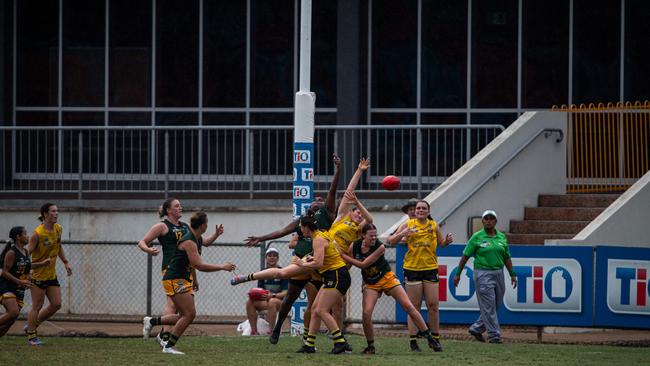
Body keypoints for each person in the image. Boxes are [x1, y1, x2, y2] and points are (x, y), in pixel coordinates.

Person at [242, 154, 341, 345]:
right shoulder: (303, 221)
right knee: (288, 299)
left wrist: (338, 170)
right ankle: (277, 329)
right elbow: (281, 231)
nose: (318, 199)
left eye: (320, 199)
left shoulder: (326, 214)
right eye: (315, 199)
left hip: (316, 266)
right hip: (300, 264)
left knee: (317, 306)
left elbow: (333, 190)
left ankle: (321, 337)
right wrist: (260, 238)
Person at [339, 223, 440, 354]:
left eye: (376, 235)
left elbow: (363, 264)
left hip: (387, 278)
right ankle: (371, 346)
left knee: (409, 306)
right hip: (370, 283)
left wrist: (343, 255)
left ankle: (430, 338)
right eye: (371, 236)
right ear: (363, 235)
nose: (374, 238)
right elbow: (349, 264)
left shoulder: (380, 247)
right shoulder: (355, 246)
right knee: (366, 313)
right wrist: (339, 267)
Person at [138, 198, 224, 345]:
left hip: (185, 270)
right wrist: (148, 249)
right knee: (173, 304)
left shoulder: (185, 227)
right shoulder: (162, 226)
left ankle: (158, 329)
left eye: (180, 205)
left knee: (183, 310)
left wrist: (216, 235)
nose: (180, 208)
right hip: (171, 269)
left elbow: (203, 243)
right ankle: (164, 336)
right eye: (176, 206)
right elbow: (142, 242)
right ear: (168, 210)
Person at [161, 211, 236, 355]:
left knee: (186, 314)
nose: (207, 225)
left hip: (181, 278)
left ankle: (154, 324)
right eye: (207, 222)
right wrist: (222, 266)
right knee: (188, 315)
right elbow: (199, 265)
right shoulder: (189, 241)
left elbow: (205, 243)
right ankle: (168, 346)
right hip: (174, 279)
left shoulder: (196, 237)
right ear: (203, 225)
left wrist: (216, 235)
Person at [388, 200, 453, 352]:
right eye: (418, 208)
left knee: (433, 305)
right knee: (414, 307)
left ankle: (435, 339)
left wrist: (447, 241)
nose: (420, 210)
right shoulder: (408, 224)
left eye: (424, 208)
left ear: (428, 212)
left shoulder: (433, 225)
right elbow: (390, 240)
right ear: (415, 211)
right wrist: (403, 234)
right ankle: (413, 341)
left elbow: (441, 243)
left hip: (430, 268)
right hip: (412, 269)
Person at [453, 209, 517, 344]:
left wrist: (512, 274)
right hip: (483, 273)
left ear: (496, 221)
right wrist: (458, 274)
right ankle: (494, 336)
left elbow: (507, 257)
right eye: (486, 219)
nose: (488, 221)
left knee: (495, 305)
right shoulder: (477, 237)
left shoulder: (501, 237)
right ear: (482, 221)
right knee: (489, 306)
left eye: (491, 218)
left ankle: (477, 328)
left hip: (499, 273)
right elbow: (465, 256)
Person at [295, 216, 352, 354]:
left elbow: (319, 263)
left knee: (322, 310)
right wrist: (311, 258)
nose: (300, 229)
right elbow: (325, 255)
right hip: (334, 275)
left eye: (301, 226)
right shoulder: (321, 234)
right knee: (315, 309)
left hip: (337, 275)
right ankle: (309, 345)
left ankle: (340, 342)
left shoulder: (317, 239)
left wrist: (303, 263)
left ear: (307, 228)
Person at [25, 203, 72, 346]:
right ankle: (32, 337)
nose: (56, 214)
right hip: (38, 276)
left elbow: (58, 246)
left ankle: (31, 326)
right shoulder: (37, 234)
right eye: (53, 211)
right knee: (37, 306)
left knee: (56, 304)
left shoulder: (58, 229)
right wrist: (28, 270)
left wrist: (65, 262)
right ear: (45, 214)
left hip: (51, 275)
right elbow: (27, 254)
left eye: (57, 211)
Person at [0, 227, 50, 337]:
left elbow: (27, 266)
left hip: (18, 289)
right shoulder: (11, 252)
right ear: (18, 237)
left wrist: (42, 264)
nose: (28, 236)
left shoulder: (26, 251)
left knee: (10, 321)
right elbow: (4, 272)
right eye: (25, 234)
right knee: (13, 312)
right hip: (6, 287)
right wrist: (19, 281)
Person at [246, 247, 289, 335]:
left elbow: (286, 292)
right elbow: (260, 291)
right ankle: (254, 331)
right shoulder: (262, 273)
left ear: (278, 258)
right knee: (249, 302)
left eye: (274, 255)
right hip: (267, 301)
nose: (272, 257)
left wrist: (272, 295)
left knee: (272, 301)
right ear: (266, 258)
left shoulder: (283, 272)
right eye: (269, 255)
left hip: (281, 302)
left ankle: (272, 331)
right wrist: (253, 294)